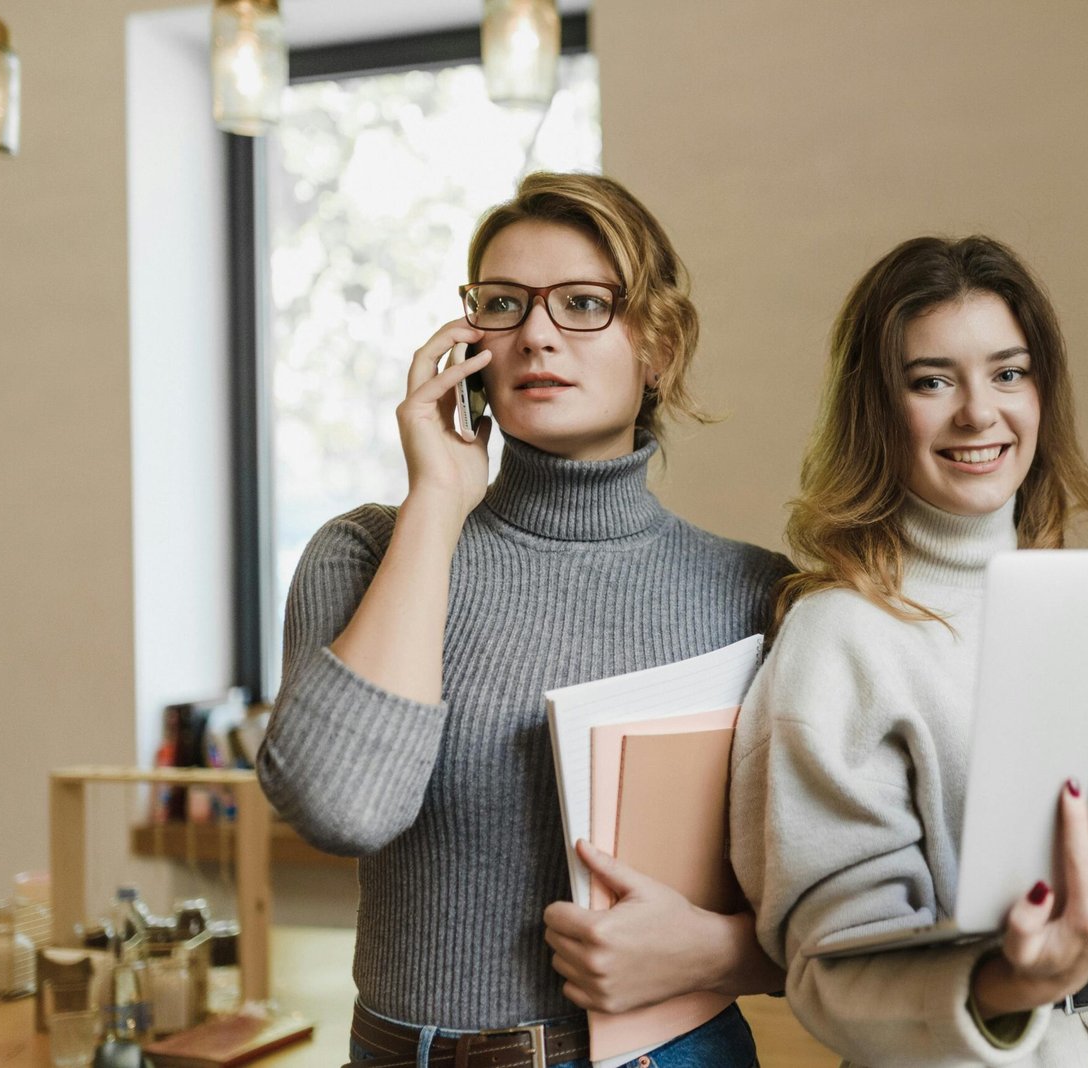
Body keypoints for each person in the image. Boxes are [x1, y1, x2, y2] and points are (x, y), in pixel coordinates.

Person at [258, 172, 788, 1068]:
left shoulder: (752, 594)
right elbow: (342, 810)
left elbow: (843, 917)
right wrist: (438, 499)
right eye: (503, 305)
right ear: (469, 343)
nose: (537, 332)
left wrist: (723, 952)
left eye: (583, 302)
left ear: (657, 346)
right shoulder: (366, 552)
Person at [729, 235, 1088, 1067]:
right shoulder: (841, 639)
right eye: (933, 380)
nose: (980, 412)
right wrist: (1014, 977)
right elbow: (833, 977)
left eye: (1008, 373)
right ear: (877, 408)